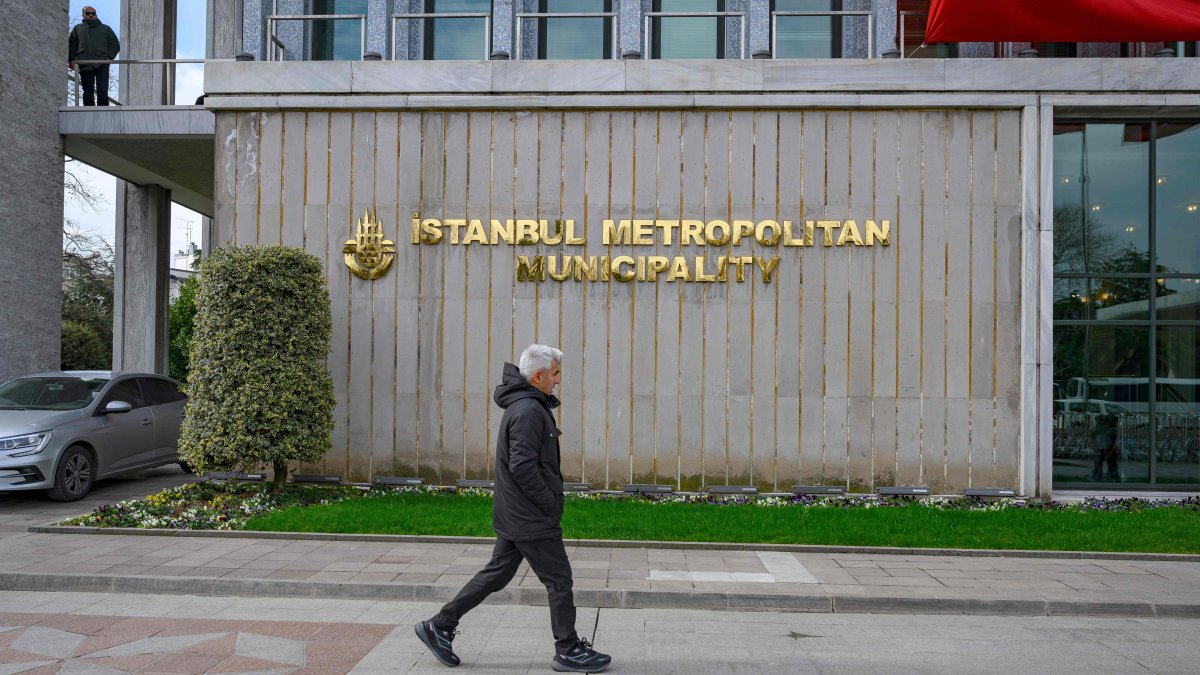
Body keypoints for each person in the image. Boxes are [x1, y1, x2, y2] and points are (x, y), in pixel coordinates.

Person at [415, 345, 611, 673]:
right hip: (530, 517)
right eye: (555, 374)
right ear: (538, 376)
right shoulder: (529, 411)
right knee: (559, 579)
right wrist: (549, 504)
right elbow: (523, 466)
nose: (558, 380)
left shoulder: (526, 406)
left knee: (498, 574)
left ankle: (439, 625)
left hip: (517, 513)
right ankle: (568, 650)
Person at [68, 6, 120, 106]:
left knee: (103, 91)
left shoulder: (105, 29)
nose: (91, 15)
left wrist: (108, 58)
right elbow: (72, 45)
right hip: (85, 64)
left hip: (102, 63)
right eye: (88, 13)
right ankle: (88, 113)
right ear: (83, 15)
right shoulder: (78, 29)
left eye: (93, 13)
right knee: (87, 91)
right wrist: (72, 59)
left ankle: (104, 113)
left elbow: (115, 45)